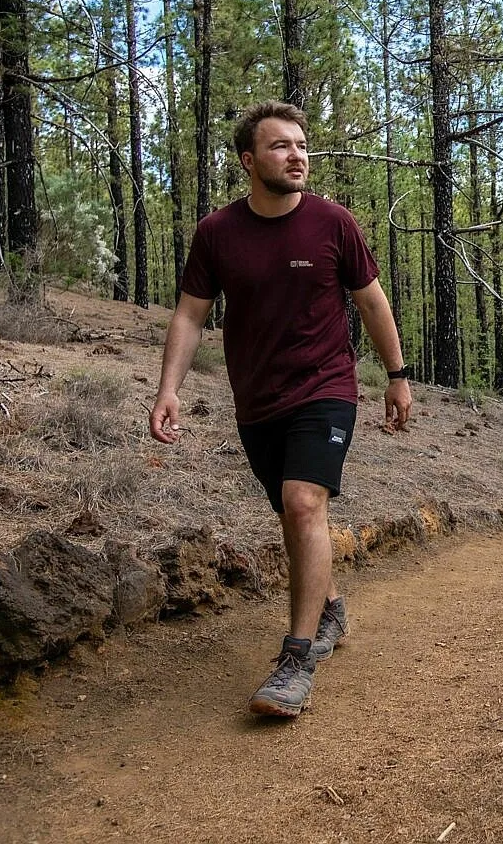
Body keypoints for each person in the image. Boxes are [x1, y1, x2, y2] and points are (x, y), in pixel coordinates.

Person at [149, 100, 412, 718]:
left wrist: (397, 377)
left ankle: (296, 661)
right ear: (248, 160)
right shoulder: (218, 233)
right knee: (294, 516)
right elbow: (191, 314)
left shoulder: (332, 223)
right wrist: (168, 387)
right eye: (280, 146)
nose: (297, 156)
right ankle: (330, 608)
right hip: (256, 400)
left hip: (325, 388)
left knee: (303, 502)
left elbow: (372, 304)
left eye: (301, 145)